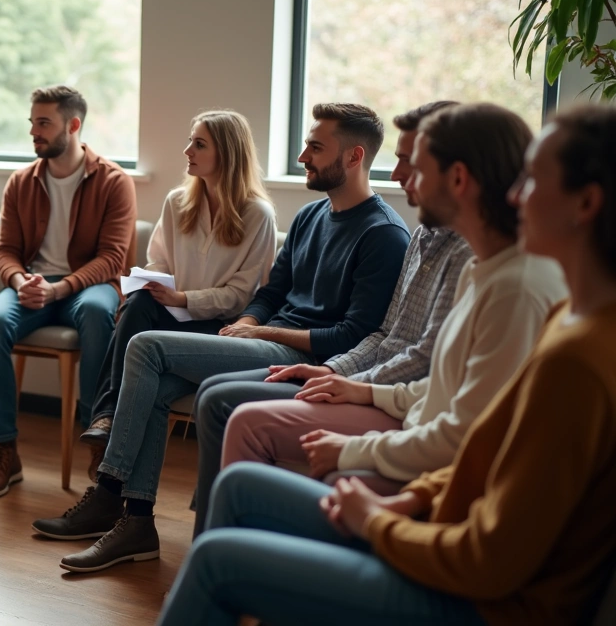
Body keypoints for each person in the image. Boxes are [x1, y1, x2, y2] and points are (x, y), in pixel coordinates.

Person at [159, 103, 616, 626]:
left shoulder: (556, 332)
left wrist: (377, 519)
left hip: (482, 602)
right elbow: (484, 446)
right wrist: (402, 475)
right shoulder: (549, 306)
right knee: (238, 485)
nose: (516, 196)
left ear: (585, 203)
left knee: (219, 561)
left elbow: (488, 559)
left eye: (533, 182)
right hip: (434, 522)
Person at [31, 102, 409, 573]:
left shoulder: (384, 235)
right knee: (154, 384)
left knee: (145, 346)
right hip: (261, 338)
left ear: (354, 157)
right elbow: (270, 292)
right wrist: (250, 320)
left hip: (299, 353)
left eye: (314, 146)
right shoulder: (313, 215)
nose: (301, 156)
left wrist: (262, 329)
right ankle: (137, 524)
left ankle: (108, 491)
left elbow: (352, 335)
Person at [210, 102, 565, 522]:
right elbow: (396, 343)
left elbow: (452, 409)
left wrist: (352, 399)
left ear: (458, 178)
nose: (397, 176)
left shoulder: (508, 282)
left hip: (409, 431)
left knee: (241, 422)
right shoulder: (465, 260)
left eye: (412, 164)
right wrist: (345, 376)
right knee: (222, 401)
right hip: (393, 402)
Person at [186, 100, 475, 528]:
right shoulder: (420, 237)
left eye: (410, 164)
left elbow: (414, 354)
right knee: (207, 390)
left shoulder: (403, 238)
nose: (396, 176)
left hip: (382, 390)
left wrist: (350, 382)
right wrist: (335, 372)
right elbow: (386, 335)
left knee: (217, 397)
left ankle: (221, 537)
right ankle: (206, 530)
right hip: (348, 371)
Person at [77, 110, 278, 479]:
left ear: (228, 153)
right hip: (171, 313)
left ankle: (106, 419)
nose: (187, 150)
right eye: (190, 141)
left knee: (137, 319)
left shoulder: (258, 215)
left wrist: (183, 298)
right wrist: (151, 282)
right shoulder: (177, 202)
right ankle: (105, 419)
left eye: (199, 144)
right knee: (136, 302)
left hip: (219, 329)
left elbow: (241, 295)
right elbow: (159, 261)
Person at [0, 85, 138, 499]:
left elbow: (113, 258)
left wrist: (60, 288)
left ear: (74, 125)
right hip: (32, 284)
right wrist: (19, 281)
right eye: (32, 123)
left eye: (44, 123)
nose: (34, 131)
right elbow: (5, 249)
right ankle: (5, 451)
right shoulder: (21, 182)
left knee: (100, 315)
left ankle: (97, 441)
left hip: (88, 287)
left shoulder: (114, 181)